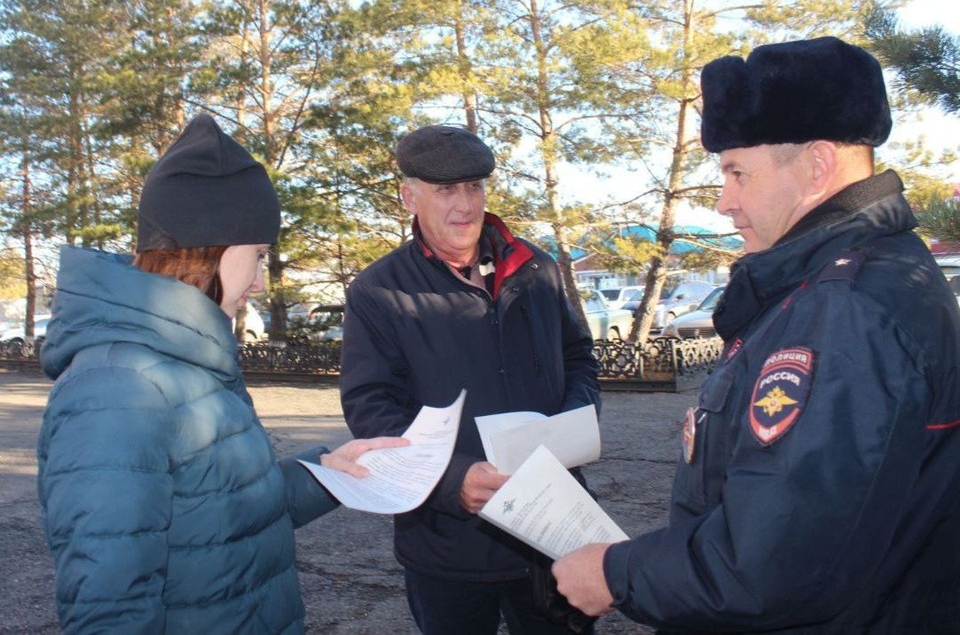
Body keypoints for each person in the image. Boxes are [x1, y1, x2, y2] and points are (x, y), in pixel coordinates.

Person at [552, 36, 960, 633]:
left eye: (738, 172)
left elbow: (777, 559)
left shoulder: (842, 311)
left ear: (818, 165)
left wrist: (616, 574)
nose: (724, 201)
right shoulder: (855, 276)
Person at [36, 114, 406, 633]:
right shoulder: (117, 390)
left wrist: (328, 470)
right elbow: (109, 606)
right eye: (257, 255)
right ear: (212, 247)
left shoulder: (186, 357)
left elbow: (221, 516)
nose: (258, 282)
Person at [338, 124, 602, 634]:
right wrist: (451, 481)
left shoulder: (537, 268)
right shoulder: (379, 290)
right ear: (408, 196)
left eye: (474, 186)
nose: (465, 205)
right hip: (446, 541)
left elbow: (578, 357)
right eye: (445, 190)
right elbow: (371, 407)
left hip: (554, 526)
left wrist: (574, 423)